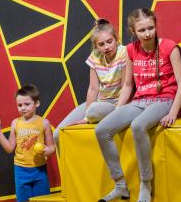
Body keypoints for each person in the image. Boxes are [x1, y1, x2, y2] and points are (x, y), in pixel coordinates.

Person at [94, 8, 181, 202]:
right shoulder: (130, 50)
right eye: (142, 30)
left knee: (138, 126)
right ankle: (120, 184)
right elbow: (128, 85)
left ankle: (145, 184)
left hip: (164, 99)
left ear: (156, 25)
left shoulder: (169, 47)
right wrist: (118, 110)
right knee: (102, 130)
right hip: (140, 100)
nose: (147, 33)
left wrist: (173, 112)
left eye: (150, 28)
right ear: (133, 31)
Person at [0, 84, 55, 202]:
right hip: (21, 170)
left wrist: (46, 150)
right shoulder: (15, 123)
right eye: (20, 105)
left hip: (39, 170)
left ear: (37, 103)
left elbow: (52, 148)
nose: (23, 108)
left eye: (27, 104)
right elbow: (9, 148)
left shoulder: (44, 123)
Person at [53, 19, 127, 152]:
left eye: (109, 41)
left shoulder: (124, 52)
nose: (106, 47)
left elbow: (126, 86)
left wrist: (117, 111)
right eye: (101, 44)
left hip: (118, 103)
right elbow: (93, 88)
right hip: (99, 102)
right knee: (58, 134)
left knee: (93, 110)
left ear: (116, 39)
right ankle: (70, 166)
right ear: (96, 46)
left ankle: (92, 114)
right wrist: (86, 117)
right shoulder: (95, 56)